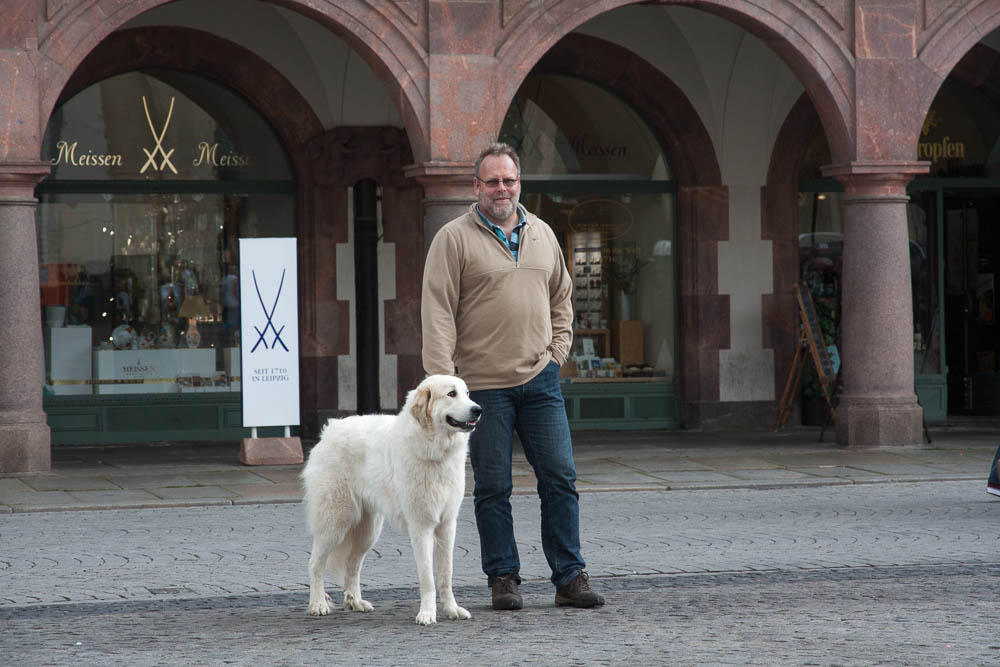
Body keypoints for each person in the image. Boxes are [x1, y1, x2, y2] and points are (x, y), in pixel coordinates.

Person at [421, 142, 604, 610]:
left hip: (540, 381)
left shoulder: (543, 233)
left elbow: (563, 298)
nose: (502, 188)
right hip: (481, 386)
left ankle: (570, 577)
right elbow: (438, 309)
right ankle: (504, 578)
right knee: (493, 485)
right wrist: (445, 383)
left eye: (510, 180)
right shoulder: (453, 238)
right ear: (476, 186)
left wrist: (557, 353)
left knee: (560, 477)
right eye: (493, 181)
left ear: (519, 183)